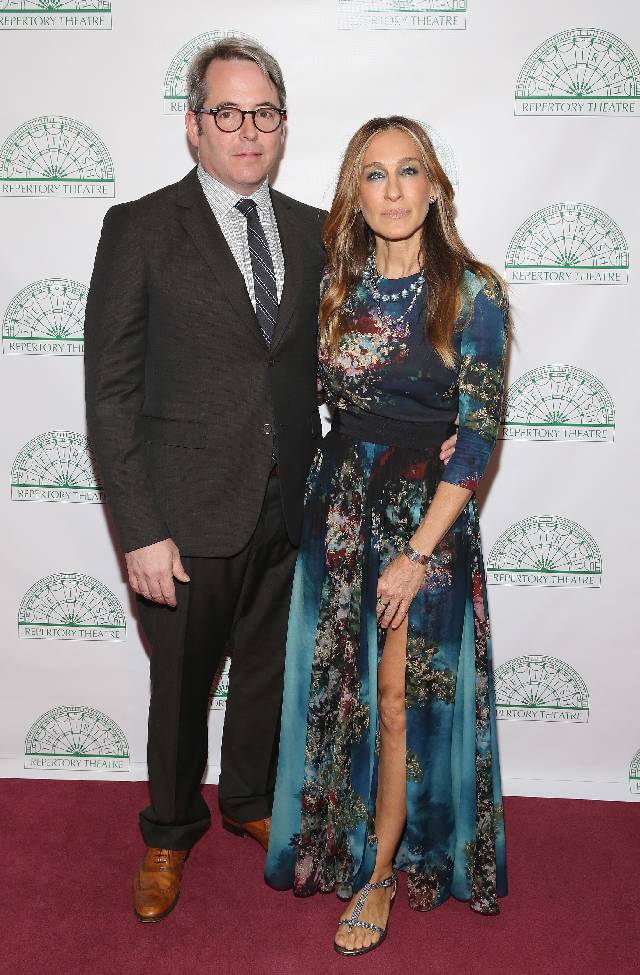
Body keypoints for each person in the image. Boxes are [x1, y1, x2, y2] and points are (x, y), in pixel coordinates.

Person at [84, 37, 461, 924]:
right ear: (193, 125)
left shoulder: (313, 229)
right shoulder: (139, 228)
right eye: (227, 112)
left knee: (266, 673)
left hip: (296, 503)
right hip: (183, 513)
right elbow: (109, 393)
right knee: (180, 686)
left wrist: (446, 432)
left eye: (263, 113)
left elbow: (374, 350)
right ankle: (169, 830)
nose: (246, 130)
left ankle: (249, 800)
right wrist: (138, 527)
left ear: (283, 126)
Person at [265, 116, 509, 956]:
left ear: (435, 185)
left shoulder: (474, 293)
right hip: (336, 508)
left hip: (422, 524)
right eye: (376, 175)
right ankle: (335, 837)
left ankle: (381, 871)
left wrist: (417, 551)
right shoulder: (335, 283)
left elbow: (477, 435)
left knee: (400, 701)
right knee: (342, 691)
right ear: (355, 193)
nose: (395, 190)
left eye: (411, 171)